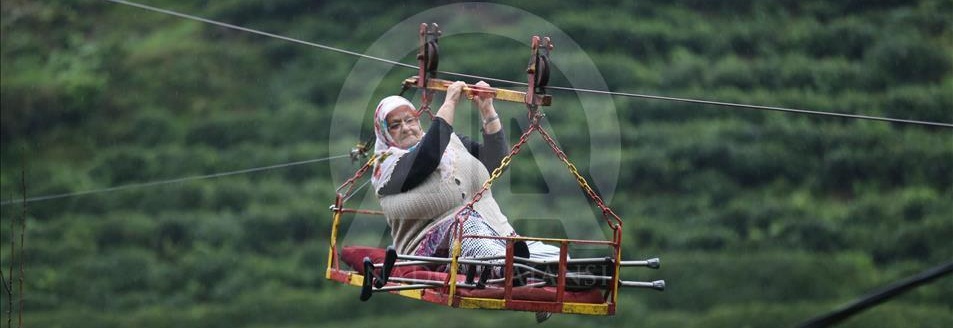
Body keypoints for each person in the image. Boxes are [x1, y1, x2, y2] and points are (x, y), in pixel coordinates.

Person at [370, 81, 561, 271]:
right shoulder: (386, 166)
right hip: (437, 247)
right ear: (384, 132)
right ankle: (505, 268)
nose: (405, 128)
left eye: (410, 120)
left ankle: (568, 272)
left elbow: (496, 163)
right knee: (467, 227)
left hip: (495, 230)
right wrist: (450, 102)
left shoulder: (451, 141)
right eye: (395, 125)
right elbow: (426, 158)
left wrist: (487, 109)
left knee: (552, 255)